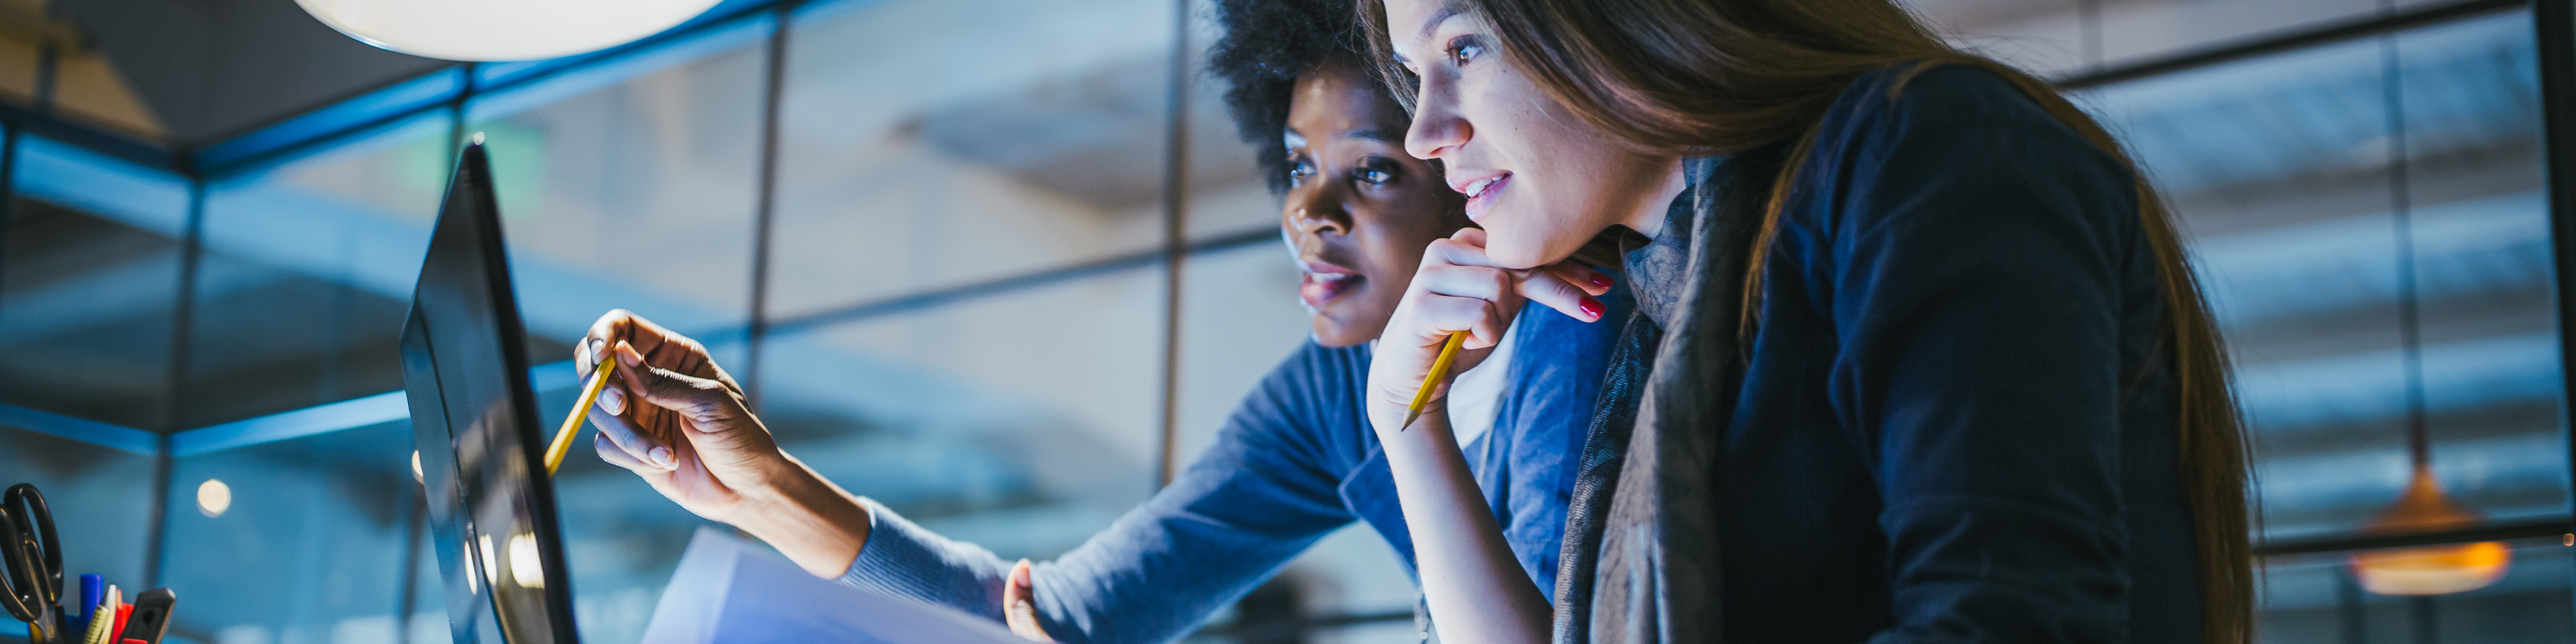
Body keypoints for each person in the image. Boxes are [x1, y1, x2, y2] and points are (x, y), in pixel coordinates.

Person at [574, 1, 1623, 642]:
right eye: (1299, 169)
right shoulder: (1332, 396)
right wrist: (752, 484)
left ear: (1466, 164)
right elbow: (1062, 621)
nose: (1309, 214)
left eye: (1375, 172)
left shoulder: (1581, 326)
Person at [1349, 0, 2257, 643]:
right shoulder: (1666, 298)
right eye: (1411, 76)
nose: (1426, 133)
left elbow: (2008, 623)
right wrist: (1408, 421)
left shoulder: (1925, 147)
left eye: (1464, 50)